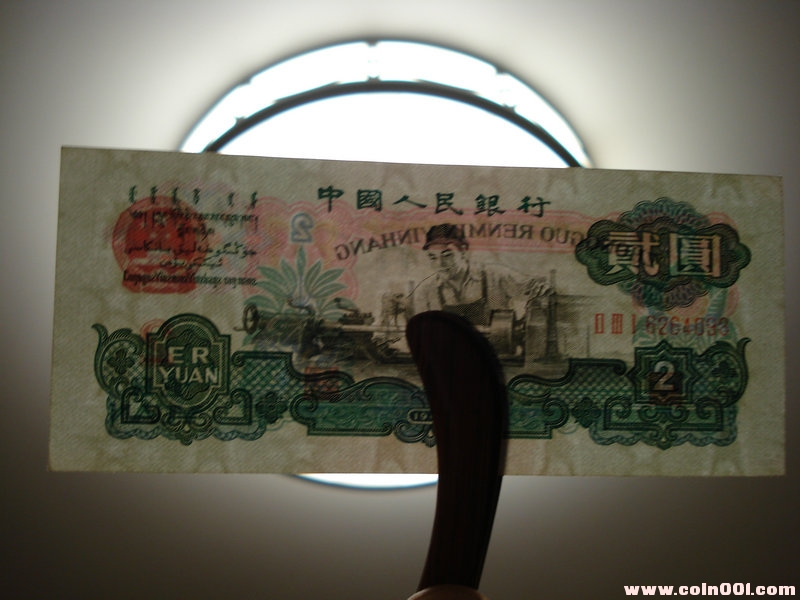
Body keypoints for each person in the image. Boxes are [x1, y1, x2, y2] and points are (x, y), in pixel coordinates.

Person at [411, 224, 550, 326]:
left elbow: (539, 288)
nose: (440, 264)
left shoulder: (495, 276)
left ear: (464, 251)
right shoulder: (425, 291)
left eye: (447, 255)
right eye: (433, 257)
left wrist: (541, 292)